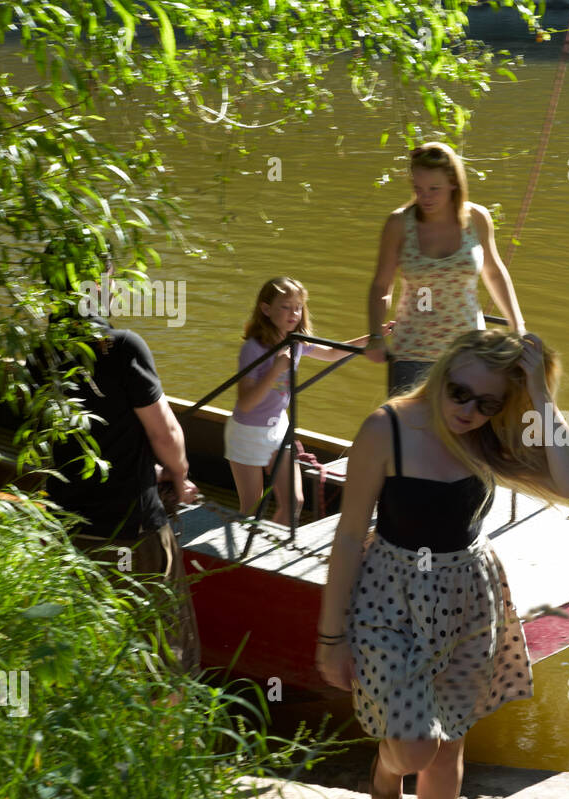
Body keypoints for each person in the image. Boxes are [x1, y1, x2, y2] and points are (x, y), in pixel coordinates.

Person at [315, 328, 569, 799]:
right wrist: (331, 636)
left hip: (469, 597)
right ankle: (387, 774)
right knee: (416, 748)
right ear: (441, 373)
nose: (468, 410)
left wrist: (539, 392)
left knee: (448, 744)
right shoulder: (385, 428)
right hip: (389, 598)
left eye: (487, 402)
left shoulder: (488, 436)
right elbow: (347, 536)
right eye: (459, 392)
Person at [32, 246, 203, 677]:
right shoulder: (120, 346)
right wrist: (179, 476)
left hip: (67, 525)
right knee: (165, 651)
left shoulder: (40, 353)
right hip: (131, 524)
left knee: (85, 648)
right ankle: (166, 735)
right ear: (100, 283)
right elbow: (164, 433)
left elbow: (55, 441)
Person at [364, 142, 526, 397]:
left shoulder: (477, 218)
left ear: (453, 183)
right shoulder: (399, 224)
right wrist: (375, 335)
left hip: (469, 351)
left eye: (434, 189)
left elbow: (494, 273)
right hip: (414, 350)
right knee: (411, 432)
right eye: (418, 188)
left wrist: (518, 327)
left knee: (465, 429)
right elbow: (381, 286)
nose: (425, 197)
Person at [226, 276, 386, 524]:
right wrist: (276, 369)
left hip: (278, 428)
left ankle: (268, 553)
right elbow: (245, 403)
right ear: (266, 309)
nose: (294, 313)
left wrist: (371, 338)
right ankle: (243, 556)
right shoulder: (253, 348)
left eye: (298, 307)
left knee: (294, 503)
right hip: (247, 432)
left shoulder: (297, 341)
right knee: (252, 506)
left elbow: (332, 353)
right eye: (285, 307)